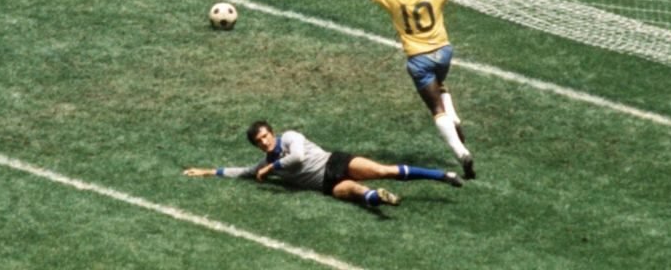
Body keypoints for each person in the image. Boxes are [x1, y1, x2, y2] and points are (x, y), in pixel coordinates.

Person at [335, 0, 488, 180]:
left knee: (436, 108)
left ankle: (462, 154)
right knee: (441, 85)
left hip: (420, 61)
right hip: (444, 53)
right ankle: (454, 118)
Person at [183, 120, 463, 208]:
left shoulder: (291, 138)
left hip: (335, 163)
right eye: (259, 142)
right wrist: (209, 171)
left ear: (272, 132)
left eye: (266, 136)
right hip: (326, 185)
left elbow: (298, 158)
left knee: (382, 170)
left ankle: (442, 176)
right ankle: (378, 197)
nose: (265, 143)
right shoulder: (264, 161)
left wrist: (271, 169)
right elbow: (243, 172)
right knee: (354, 192)